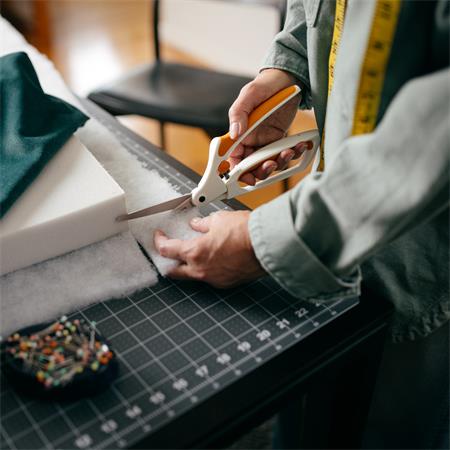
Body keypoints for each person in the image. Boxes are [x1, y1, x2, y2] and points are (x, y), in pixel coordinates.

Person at [154, 0, 449, 447]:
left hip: (421, 269)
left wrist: (270, 241)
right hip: (330, 206)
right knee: (305, 417)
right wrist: (286, 68)